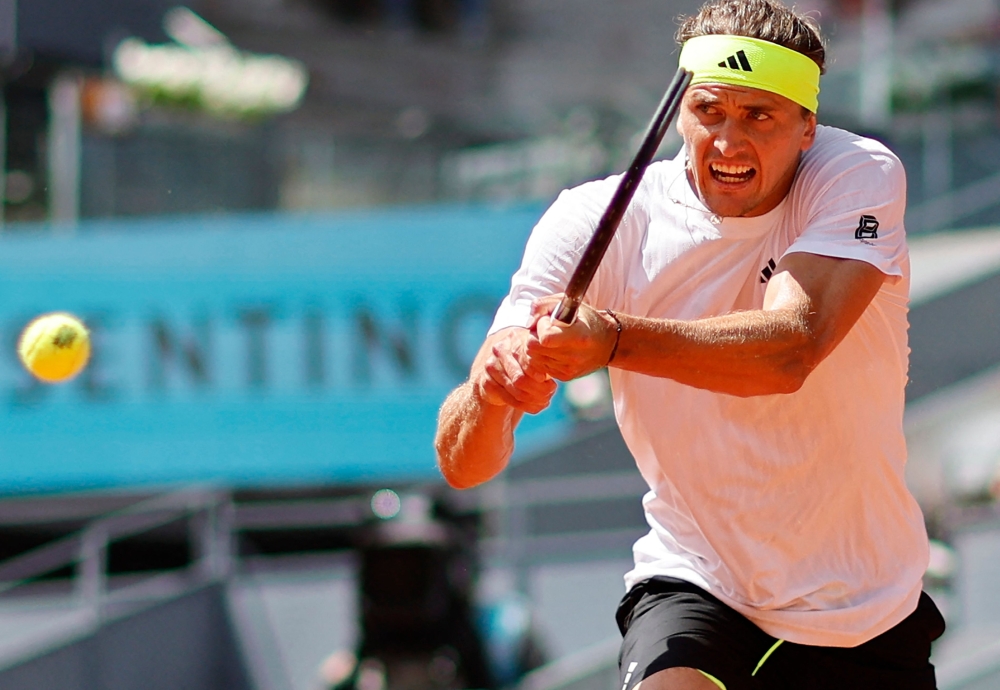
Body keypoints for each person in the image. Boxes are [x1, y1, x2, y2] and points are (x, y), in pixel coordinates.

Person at [434, 0, 945, 688]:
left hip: (860, 605)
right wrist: (492, 393)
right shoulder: (590, 217)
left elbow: (792, 348)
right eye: (709, 111)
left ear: (807, 128)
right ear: (680, 112)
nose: (729, 142)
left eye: (759, 116)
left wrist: (611, 339)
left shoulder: (855, 175)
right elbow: (465, 465)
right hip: (696, 576)